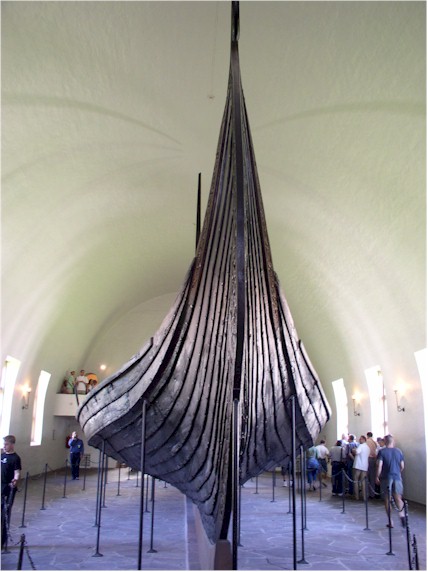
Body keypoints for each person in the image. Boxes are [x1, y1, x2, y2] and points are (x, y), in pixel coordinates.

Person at [376, 434, 405, 528]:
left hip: (386, 477)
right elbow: (402, 466)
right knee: (398, 498)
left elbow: (380, 465)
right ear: (393, 441)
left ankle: (390, 521)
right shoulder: (398, 451)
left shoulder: (382, 452)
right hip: (397, 476)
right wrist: (397, 472)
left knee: (387, 499)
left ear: (385, 442)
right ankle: (402, 515)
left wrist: (377, 476)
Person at [1, 435, 22, 548]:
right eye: (4, 444)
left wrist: (15, 480)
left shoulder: (15, 458)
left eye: (6, 444)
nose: (4, 446)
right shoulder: (2, 455)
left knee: (4, 514)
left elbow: (17, 472)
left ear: (12, 445)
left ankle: (2, 539)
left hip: (8, 488)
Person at [352, 435, 370, 501]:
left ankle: (357, 496)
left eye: (360, 439)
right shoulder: (367, 447)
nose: (359, 440)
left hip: (358, 465)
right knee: (363, 482)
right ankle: (364, 497)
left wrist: (353, 450)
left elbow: (357, 452)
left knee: (356, 480)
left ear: (364, 440)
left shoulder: (361, 446)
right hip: (364, 465)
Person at [366, 431, 378, 498]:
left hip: (368, 459)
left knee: (367, 477)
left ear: (367, 436)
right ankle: (372, 494)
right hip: (374, 459)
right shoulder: (375, 442)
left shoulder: (366, 442)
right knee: (372, 477)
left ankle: (367, 493)